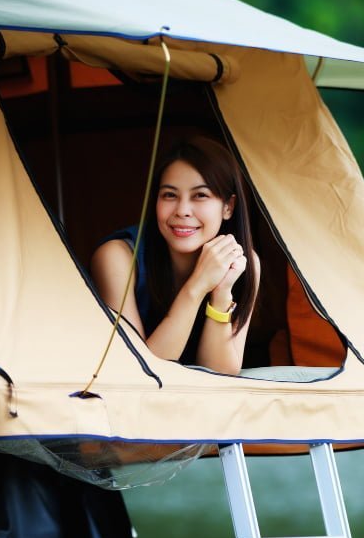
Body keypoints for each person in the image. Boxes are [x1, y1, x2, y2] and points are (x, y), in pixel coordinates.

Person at [90, 136, 260, 375]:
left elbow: (221, 374)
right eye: (169, 195)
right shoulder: (117, 257)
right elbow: (138, 370)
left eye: (200, 195)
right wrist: (197, 286)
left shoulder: (242, 261)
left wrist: (221, 292)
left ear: (228, 207)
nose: (182, 211)